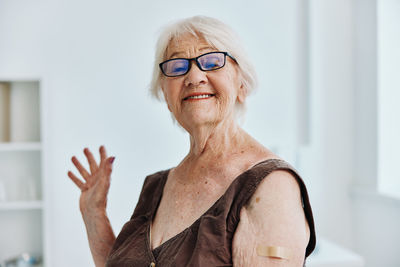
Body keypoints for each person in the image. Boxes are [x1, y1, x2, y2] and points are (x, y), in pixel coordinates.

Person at [68, 15, 316, 267]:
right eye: (177, 66)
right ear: (165, 93)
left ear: (241, 84)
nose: (194, 76)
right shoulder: (156, 187)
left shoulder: (271, 186)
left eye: (212, 61)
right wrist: (94, 214)